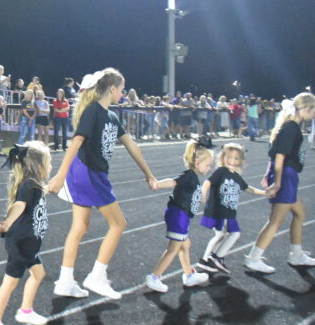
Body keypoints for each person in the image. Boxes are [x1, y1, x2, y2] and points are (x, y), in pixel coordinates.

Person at [47, 68, 157, 299]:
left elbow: (131, 146)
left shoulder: (112, 117)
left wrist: (148, 173)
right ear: (112, 88)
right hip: (89, 173)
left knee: (80, 227)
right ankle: (97, 276)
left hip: (87, 173)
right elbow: (76, 142)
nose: (123, 93)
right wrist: (59, 175)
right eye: (122, 89)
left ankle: (65, 281)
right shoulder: (93, 112)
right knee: (118, 224)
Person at [0, 143, 52, 325]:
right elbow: (20, 205)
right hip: (21, 243)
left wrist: (49, 187)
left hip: (28, 243)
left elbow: (35, 195)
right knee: (9, 284)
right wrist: (7, 222)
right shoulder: (29, 185)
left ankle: (26, 311)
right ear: (37, 166)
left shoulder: (33, 184)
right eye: (49, 163)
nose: (51, 167)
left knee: (38, 274)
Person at [246, 93, 315, 273]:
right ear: (307, 109)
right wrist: (276, 182)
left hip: (287, 176)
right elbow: (279, 156)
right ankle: (253, 258)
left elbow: (275, 154)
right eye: (314, 111)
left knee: (300, 214)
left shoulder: (289, 126)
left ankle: (296, 254)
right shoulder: (291, 128)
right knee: (275, 221)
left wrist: (268, 174)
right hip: (285, 176)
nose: (314, 115)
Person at [145, 140, 213, 293]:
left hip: (181, 216)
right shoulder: (189, 175)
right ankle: (154, 277)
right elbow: (174, 181)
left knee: (185, 245)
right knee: (173, 249)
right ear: (197, 162)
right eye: (208, 164)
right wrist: (157, 184)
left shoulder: (193, 177)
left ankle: (189, 274)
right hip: (178, 216)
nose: (209, 168)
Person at [196, 143, 268, 274]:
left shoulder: (236, 176)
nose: (232, 161)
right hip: (219, 210)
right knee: (229, 234)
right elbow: (207, 182)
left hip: (228, 212)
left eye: (236, 159)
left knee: (222, 235)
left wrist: (264, 193)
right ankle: (214, 258)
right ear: (223, 158)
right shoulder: (221, 172)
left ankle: (209, 260)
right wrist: (203, 193)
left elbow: (247, 188)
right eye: (229, 158)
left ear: (241, 161)